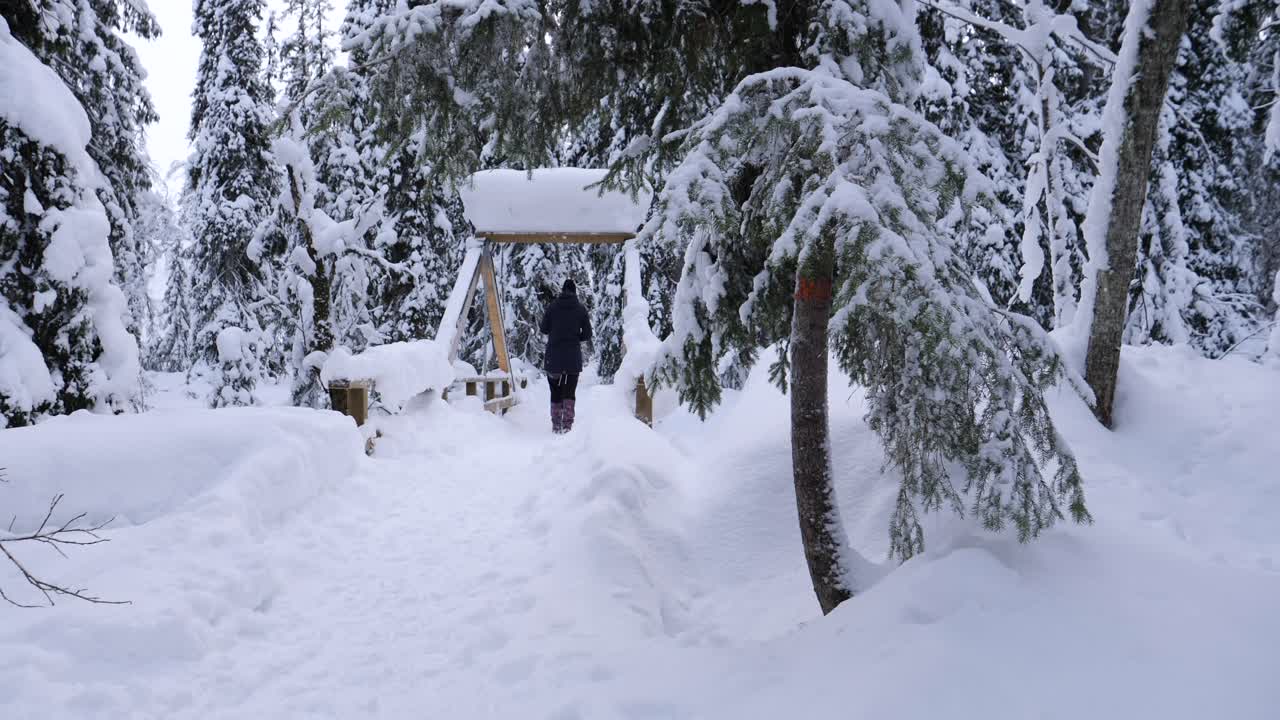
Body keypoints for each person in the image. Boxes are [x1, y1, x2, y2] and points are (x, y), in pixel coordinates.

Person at [540, 278, 592, 433]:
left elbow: (543, 329)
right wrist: (576, 338)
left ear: (562, 290)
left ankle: (556, 425)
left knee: (555, 391)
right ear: (575, 292)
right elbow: (588, 334)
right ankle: (567, 425)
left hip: (553, 358)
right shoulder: (581, 309)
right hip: (572, 359)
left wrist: (555, 332)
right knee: (569, 393)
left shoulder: (552, 307)